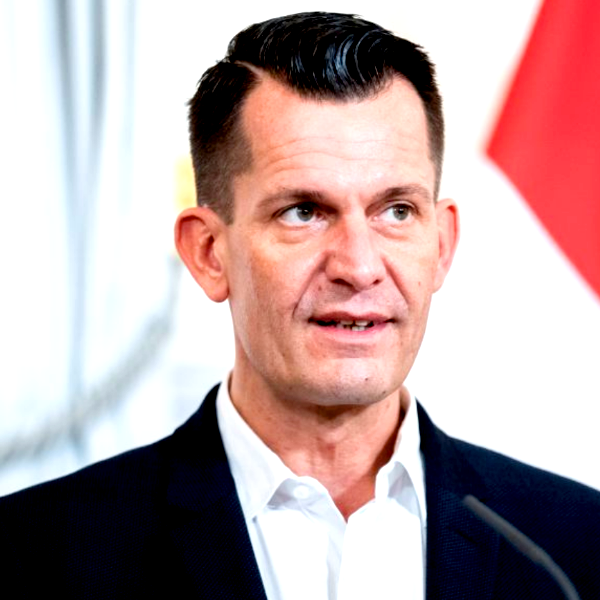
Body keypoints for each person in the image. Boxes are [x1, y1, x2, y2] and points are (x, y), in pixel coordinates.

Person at [1, 11, 599, 599]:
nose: (359, 266)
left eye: (396, 211)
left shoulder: (577, 547)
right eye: (303, 212)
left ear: (441, 245)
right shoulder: (35, 555)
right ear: (208, 252)